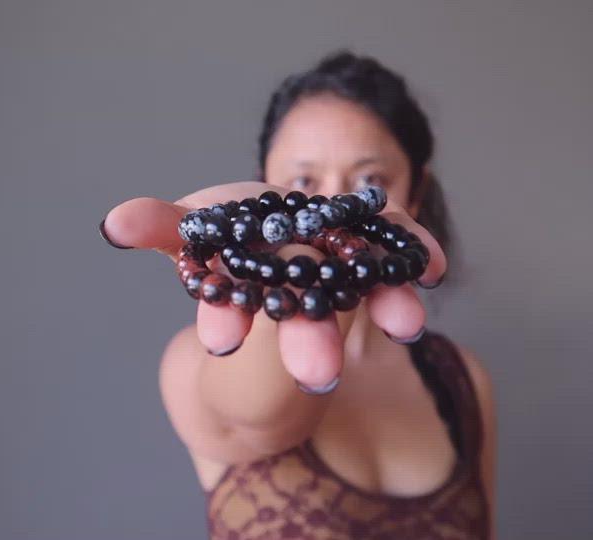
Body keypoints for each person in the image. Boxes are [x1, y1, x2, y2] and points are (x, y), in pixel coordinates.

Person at [99, 50, 496, 540]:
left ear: (413, 192)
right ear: (267, 184)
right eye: (304, 181)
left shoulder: (461, 380)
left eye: (370, 180)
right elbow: (258, 416)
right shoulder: (196, 361)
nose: (332, 201)